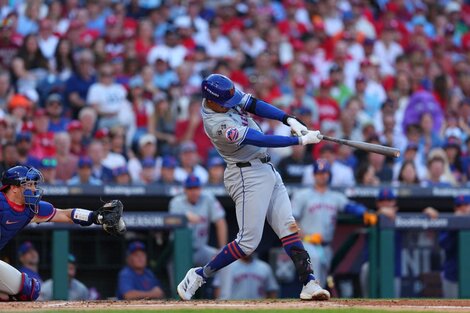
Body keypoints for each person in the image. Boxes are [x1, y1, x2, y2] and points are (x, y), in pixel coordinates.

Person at [177, 74, 329, 301]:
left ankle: (309, 282)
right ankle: (200, 274)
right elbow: (257, 138)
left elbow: (254, 104)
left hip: (266, 168)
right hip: (246, 174)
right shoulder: (217, 124)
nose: (232, 103)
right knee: (247, 243)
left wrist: (288, 119)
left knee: (288, 227)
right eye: (226, 103)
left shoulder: (223, 96)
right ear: (211, 101)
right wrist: (298, 141)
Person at [0, 165, 125, 301]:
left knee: (29, 290)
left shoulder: (30, 210)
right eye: (28, 184)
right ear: (13, 188)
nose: (33, 189)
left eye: (34, 184)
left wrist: (96, 217)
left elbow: (65, 215)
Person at [292, 159, 368, 287]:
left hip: (325, 246)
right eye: (319, 173)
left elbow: (350, 207)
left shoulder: (335, 197)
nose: (322, 176)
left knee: (323, 281)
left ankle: (317, 302)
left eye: (325, 173)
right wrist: (305, 237)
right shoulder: (302, 195)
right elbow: (291, 221)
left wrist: (365, 212)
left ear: (329, 174)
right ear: (314, 175)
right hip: (306, 244)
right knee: (313, 268)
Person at [169, 175, 227, 266]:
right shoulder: (176, 202)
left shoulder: (208, 198)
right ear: (184, 189)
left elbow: (220, 222)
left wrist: (222, 249)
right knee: (180, 277)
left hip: (201, 250)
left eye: (196, 188)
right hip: (180, 251)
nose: (194, 192)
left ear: (200, 189)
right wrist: (184, 217)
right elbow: (170, 221)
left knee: (225, 259)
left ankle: (218, 281)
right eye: (190, 188)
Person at [439, 195, 470, 298]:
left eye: (466, 205)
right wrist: (455, 226)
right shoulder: (448, 223)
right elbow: (444, 245)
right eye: (459, 205)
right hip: (452, 275)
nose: (463, 208)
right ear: (455, 208)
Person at [213, 254, 279, 300]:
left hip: (258, 307)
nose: (247, 251)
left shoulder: (264, 267)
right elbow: (218, 288)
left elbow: (272, 290)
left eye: (250, 247)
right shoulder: (227, 266)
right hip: (233, 306)